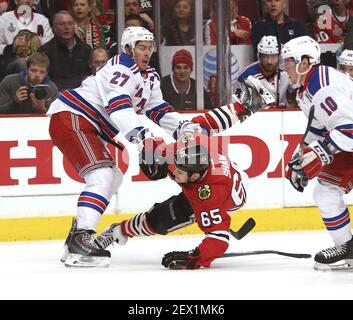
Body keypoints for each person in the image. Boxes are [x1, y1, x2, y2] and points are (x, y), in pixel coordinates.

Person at [49, 26, 274, 268]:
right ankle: (81, 239)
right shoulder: (120, 68)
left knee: (113, 176)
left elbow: (160, 112)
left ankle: (77, 237)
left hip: (86, 123)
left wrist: (186, 127)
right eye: (141, 48)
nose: (147, 53)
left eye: (149, 48)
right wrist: (144, 138)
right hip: (72, 116)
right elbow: (119, 107)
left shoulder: (149, 77)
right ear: (128, 49)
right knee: (102, 175)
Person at [95, 133, 249, 270]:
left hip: (231, 198)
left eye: (180, 172)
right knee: (161, 215)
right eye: (176, 166)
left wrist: (194, 257)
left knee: (160, 220)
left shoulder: (208, 195)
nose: (174, 172)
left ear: (194, 177)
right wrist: (152, 156)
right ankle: (119, 230)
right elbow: (159, 146)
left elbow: (219, 238)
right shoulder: (195, 146)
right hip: (227, 176)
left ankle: (120, 230)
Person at [282, 36, 353, 271]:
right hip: (348, 143)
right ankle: (348, 250)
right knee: (325, 191)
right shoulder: (305, 89)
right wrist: (300, 156)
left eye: (288, 62)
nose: (285, 67)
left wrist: (321, 153)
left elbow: (350, 129)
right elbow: (319, 126)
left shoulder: (322, 86)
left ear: (304, 62)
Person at [39, 10, 91, 91]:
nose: (66, 27)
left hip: (82, 94)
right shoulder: (45, 51)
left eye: (70, 23)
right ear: (54, 28)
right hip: (57, 93)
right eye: (62, 24)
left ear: (74, 27)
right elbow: (43, 79)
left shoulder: (86, 49)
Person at [238, 35, 293, 108]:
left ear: (279, 56)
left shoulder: (286, 71)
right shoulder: (247, 75)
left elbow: (299, 94)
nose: (269, 61)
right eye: (265, 56)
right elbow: (240, 107)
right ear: (259, 56)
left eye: (273, 56)